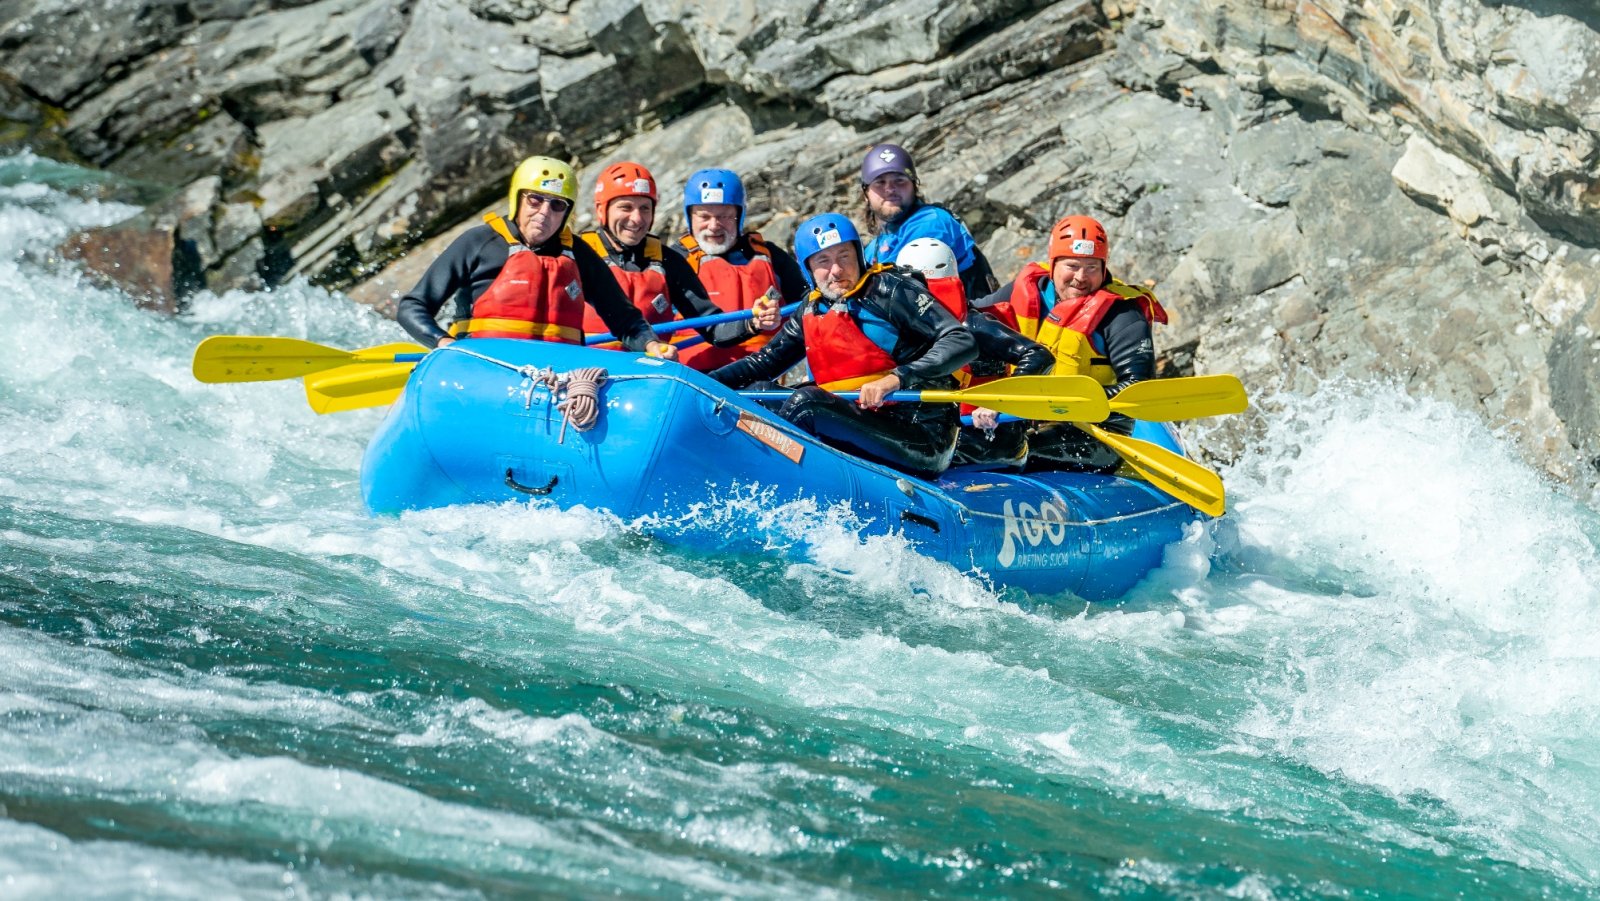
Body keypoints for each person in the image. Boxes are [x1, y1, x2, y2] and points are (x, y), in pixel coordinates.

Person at [709, 213, 977, 478]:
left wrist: (896, 379)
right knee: (758, 394)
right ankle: (735, 467)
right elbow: (763, 364)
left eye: (844, 256)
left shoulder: (892, 291)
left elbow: (961, 341)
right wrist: (697, 382)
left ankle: (767, 479)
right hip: (860, 418)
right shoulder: (811, 308)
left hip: (920, 433)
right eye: (823, 261)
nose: (836, 270)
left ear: (858, 256)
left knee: (807, 403)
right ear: (809, 270)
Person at [396, 156, 675, 359]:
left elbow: (625, 319)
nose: (544, 212)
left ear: (566, 213)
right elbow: (413, 306)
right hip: (485, 369)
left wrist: (652, 345)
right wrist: (443, 343)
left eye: (556, 205)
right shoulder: (479, 242)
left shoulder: (579, 255)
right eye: (534, 200)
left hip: (559, 381)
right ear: (518, 199)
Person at [975, 215, 1168, 473]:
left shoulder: (1123, 315)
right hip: (1022, 419)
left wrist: (1062, 401)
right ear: (1053, 264)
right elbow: (968, 319)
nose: (1080, 277)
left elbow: (1139, 388)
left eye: (1091, 268)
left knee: (1009, 449)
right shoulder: (1024, 290)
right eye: (1072, 265)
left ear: (1103, 268)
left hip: (1095, 434)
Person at [579, 161, 778, 355]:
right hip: (581, 373)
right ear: (601, 210)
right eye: (625, 207)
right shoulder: (577, 254)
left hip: (644, 377)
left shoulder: (669, 261)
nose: (637, 218)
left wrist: (753, 323)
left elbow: (713, 328)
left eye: (645, 208)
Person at [894, 238, 1053, 471]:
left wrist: (1001, 401)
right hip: (941, 429)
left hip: (992, 437)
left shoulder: (974, 324)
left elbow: (1039, 355)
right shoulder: (896, 327)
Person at [671, 168, 809, 370]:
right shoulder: (672, 261)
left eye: (724, 216)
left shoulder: (770, 256)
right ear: (690, 217)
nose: (714, 225)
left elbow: (809, 303)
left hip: (761, 375)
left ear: (739, 215)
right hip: (694, 377)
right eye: (704, 217)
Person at [859, 142, 997, 299]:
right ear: (865, 193)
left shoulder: (933, 222)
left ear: (914, 186)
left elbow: (898, 290)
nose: (890, 189)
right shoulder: (875, 246)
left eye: (899, 181)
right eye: (880, 182)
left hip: (966, 319)